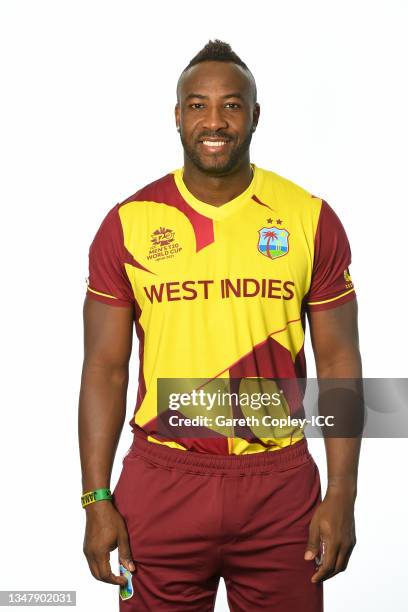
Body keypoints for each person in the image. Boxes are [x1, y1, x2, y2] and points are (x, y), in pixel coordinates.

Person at [78, 39, 362, 611]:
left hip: (278, 485)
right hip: (163, 480)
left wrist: (343, 494)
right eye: (197, 105)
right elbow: (105, 368)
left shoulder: (308, 218)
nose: (214, 121)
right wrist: (95, 498)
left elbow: (339, 361)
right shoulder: (129, 223)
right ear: (177, 114)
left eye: (231, 106)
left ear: (255, 115)